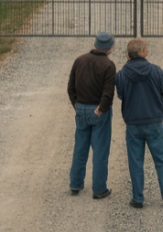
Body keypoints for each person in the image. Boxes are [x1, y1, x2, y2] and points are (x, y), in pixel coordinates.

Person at [115, 38, 163, 209]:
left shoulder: (121, 75)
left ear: (128, 56)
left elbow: (120, 95)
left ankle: (137, 199)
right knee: (161, 160)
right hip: (154, 122)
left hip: (133, 124)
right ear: (144, 53)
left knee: (135, 162)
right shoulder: (156, 71)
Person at [67, 31, 117, 199]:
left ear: (95, 44)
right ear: (109, 48)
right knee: (100, 151)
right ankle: (99, 189)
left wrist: (76, 105)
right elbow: (108, 94)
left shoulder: (79, 60)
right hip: (98, 112)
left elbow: (70, 87)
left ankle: (75, 184)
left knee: (80, 148)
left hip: (81, 109)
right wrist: (101, 109)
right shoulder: (108, 66)